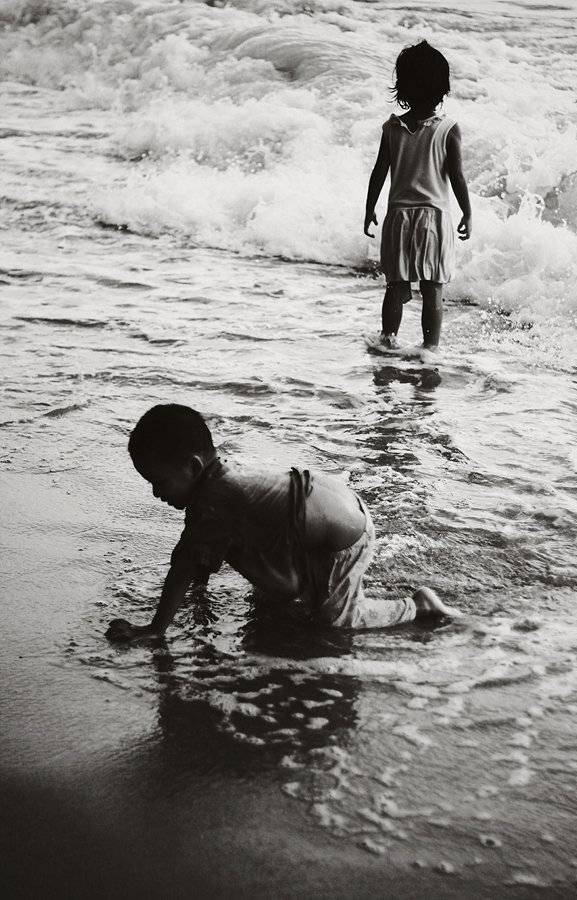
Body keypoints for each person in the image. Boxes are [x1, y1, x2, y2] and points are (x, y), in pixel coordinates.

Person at [106, 405, 460, 642]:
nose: (155, 493)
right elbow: (196, 552)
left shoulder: (215, 499)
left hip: (344, 535)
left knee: (336, 621)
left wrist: (154, 629)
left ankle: (418, 606)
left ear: (194, 468)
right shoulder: (219, 483)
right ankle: (303, 582)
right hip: (312, 520)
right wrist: (199, 589)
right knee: (269, 593)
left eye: (160, 482)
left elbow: (183, 563)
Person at [364, 39, 472, 350]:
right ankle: (430, 351)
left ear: (403, 87)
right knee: (432, 288)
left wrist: (370, 208)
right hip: (433, 218)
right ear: (442, 88)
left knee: (395, 287)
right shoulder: (448, 129)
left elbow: (378, 173)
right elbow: (457, 176)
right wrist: (467, 211)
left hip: (398, 216)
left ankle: (388, 341)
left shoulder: (392, 127)